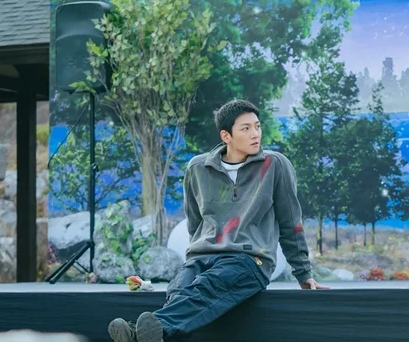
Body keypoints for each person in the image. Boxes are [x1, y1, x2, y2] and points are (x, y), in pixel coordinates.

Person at [108, 99, 327, 342]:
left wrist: (303, 273)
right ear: (226, 136)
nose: (255, 134)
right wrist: (197, 254)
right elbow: (195, 221)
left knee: (208, 285)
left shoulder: (275, 165)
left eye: (257, 126)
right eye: (246, 128)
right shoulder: (197, 168)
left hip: (249, 260)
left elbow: (290, 222)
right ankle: (142, 336)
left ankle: (136, 334)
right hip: (203, 256)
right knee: (179, 291)